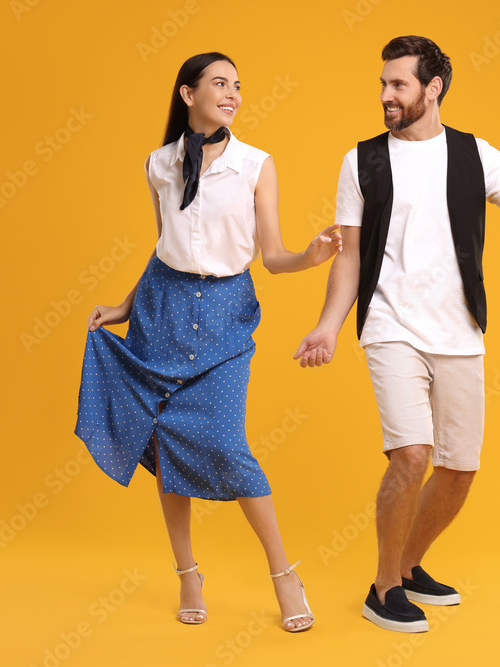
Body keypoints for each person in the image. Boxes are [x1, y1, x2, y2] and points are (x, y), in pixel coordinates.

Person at [294, 35, 500, 632]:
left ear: (433, 89)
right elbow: (349, 256)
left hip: (459, 332)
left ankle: (407, 566)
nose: (385, 95)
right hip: (389, 325)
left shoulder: (474, 155)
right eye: (383, 83)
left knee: (459, 469)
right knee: (411, 455)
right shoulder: (362, 161)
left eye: (398, 84)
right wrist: (328, 325)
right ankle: (383, 589)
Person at [75, 52, 341, 632]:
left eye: (238, 85)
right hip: (160, 310)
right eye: (220, 83)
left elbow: (271, 256)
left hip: (225, 313)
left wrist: (310, 256)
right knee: (167, 442)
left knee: (226, 444)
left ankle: (283, 575)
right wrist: (124, 305)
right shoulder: (158, 164)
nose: (233, 94)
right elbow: (164, 244)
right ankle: (188, 576)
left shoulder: (255, 165)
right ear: (187, 93)